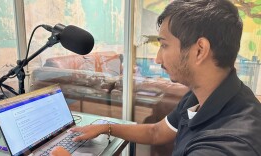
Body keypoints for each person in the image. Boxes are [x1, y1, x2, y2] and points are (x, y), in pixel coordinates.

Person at [51, 0, 261, 155]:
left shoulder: (229, 144)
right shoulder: (201, 96)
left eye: (164, 45)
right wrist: (107, 127)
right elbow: (156, 132)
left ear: (200, 50)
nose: (158, 58)